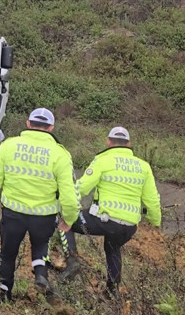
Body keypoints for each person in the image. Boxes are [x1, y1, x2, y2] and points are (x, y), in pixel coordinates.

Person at [0, 108, 80, 302]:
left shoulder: (9, 146)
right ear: (51, 128)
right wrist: (69, 218)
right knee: (41, 244)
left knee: (8, 253)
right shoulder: (60, 154)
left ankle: (4, 293)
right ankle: (40, 273)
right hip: (43, 216)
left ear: (28, 124)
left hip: (13, 214)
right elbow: (70, 194)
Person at [56, 126, 161, 297]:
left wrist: (62, 197)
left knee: (65, 220)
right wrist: (155, 223)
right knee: (112, 248)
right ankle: (112, 292)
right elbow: (152, 199)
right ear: (129, 144)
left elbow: (82, 188)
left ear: (108, 142)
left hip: (104, 221)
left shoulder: (103, 160)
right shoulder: (144, 166)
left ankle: (71, 260)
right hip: (128, 226)